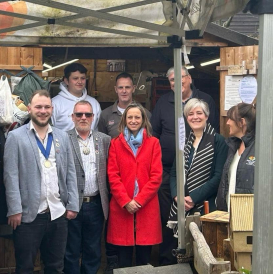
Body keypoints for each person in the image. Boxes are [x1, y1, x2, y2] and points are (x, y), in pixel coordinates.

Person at [3, 90, 79, 274]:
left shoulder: (62, 137)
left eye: (46, 107)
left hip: (57, 214)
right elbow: (10, 175)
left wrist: (73, 205)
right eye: (38, 107)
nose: (42, 111)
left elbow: (70, 172)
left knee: (55, 267)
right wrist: (14, 209)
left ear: (52, 109)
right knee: (25, 267)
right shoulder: (15, 137)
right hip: (28, 215)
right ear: (29, 109)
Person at [150, 66, 219, 265]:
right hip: (167, 173)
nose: (176, 83)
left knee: (197, 221)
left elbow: (212, 132)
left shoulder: (204, 100)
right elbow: (154, 134)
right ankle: (167, 261)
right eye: (172, 80)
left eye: (180, 78)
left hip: (200, 174)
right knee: (168, 219)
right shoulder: (163, 102)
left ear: (189, 78)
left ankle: (196, 262)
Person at [107, 103, 163, 268]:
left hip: (146, 206)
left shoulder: (153, 143)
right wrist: (126, 201)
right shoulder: (116, 144)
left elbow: (156, 176)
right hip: (122, 207)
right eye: (129, 117)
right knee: (123, 260)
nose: (133, 120)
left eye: (137, 117)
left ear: (143, 120)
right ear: (124, 120)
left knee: (143, 259)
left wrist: (139, 200)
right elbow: (112, 175)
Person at [167, 99, 228, 236]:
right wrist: (178, 196)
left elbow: (218, 176)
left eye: (199, 113)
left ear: (206, 116)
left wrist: (193, 197)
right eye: (190, 114)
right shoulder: (183, 142)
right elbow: (174, 173)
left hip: (207, 205)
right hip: (183, 205)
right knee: (184, 249)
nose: (195, 117)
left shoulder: (218, 141)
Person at [64, 101, 111, 274]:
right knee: (71, 251)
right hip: (71, 205)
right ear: (72, 117)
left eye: (87, 114)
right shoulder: (63, 138)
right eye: (79, 114)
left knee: (93, 250)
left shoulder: (105, 140)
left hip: (96, 204)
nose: (83, 118)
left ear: (93, 117)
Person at [216, 102, 256, 212]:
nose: (227, 122)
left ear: (241, 122)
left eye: (230, 119)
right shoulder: (233, 146)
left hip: (248, 218)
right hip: (229, 215)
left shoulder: (259, 147)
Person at [98, 72, 151, 138]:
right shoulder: (105, 114)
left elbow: (149, 140)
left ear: (133, 88)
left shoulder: (145, 114)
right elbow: (102, 141)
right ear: (116, 89)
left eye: (127, 87)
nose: (124, 91)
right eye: (120, 87)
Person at [52, 63, 101, 131]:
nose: (80, 81)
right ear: (66, 81)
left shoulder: (94, 103)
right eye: (75, 78)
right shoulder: (54, 103)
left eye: (83, 78)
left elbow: (96, 131)